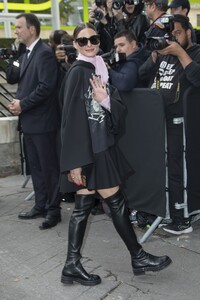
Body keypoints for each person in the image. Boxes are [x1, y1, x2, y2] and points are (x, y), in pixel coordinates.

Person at [59, 22, 172, 286]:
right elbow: (70, 119)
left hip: (98, 147)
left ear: (99, 41)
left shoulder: (98, 67)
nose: (89, 44)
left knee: (85, 208)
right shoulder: (80, 71)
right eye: (83, 41)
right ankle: (137, 257)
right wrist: (75, 162)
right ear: (75, 44)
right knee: (115, 203)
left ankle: (72, 265)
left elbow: (116, 108)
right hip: (91, 151)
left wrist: (104, 99)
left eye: (94, 39)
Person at [139, 14, 200, 234]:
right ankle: (162, 210)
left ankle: (181, 217)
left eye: (177, 33)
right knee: (162, 169)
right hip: (158, 121)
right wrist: (155, 55)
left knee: (178, 170)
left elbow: (197, 78)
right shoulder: (164, 54)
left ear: (188, 32)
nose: (172, 38)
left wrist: (180, 53)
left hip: (183, 123)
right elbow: (142, 74)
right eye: (169, 34)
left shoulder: (195, 52)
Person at [8, 13, 61, 230]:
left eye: (19, 27)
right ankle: (41, 204)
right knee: (36, 167)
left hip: (43, 121)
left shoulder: (44, 54)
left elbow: (46, 87)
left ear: (32, 29)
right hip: (30, 121)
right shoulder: (27, 53)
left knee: (48, 168)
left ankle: (54, 210)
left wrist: (23, 104)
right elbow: (16, 79)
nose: (16, 31)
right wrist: (18, 103)